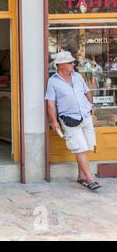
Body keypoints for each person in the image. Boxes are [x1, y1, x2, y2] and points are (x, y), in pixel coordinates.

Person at [45, 51, 101, 190]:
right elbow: (50, 103)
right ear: (61, 65)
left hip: (85, 116)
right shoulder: (53, 81)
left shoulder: (78, 77)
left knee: (86, 148)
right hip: (70, 120)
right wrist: (54, 121)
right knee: (79, 149)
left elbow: (87, 91)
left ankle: (81, 176)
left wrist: (91, 104)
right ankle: (90, 179)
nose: (73, 64)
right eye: (70, 63)